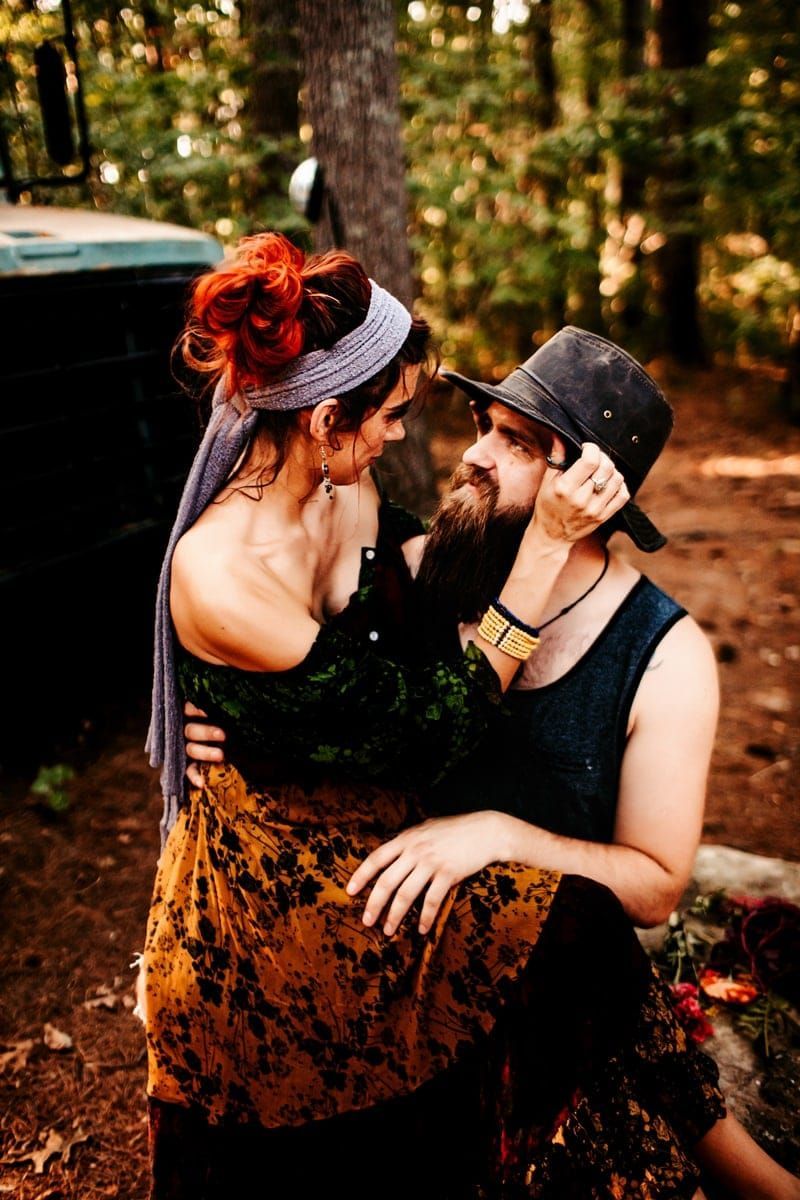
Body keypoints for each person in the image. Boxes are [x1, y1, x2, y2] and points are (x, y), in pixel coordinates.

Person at [182, 323, 800, 1199]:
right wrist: (211, 713)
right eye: (483, 423)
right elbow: (293, 662)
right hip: (385, 959)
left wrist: (497, 836)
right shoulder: (411, 574)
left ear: (590, 488)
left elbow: (657, 887)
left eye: (516, 443)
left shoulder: (663, 657)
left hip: (554, 980)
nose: (473, 455)